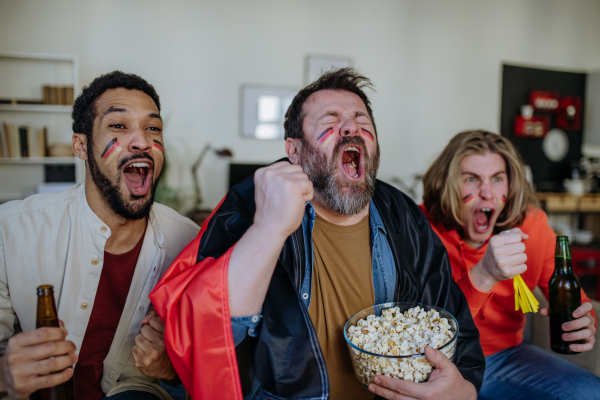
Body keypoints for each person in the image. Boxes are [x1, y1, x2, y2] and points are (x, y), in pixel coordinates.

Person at [150, 68, 485, 400]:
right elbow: (212, 326)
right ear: (294, 151)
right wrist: (269, 227)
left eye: (362, 121)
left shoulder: (404, 214)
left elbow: (451, 314)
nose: (351, 126)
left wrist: (466, 388)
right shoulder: (250, 202)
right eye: (329, 122)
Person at [0, 71, 199, 399]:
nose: (142, 141)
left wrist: (171, 367)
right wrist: (5, 376)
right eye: (119, 126)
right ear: (81, 145)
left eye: (153, 128)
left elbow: (213, 366)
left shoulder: (188, 243)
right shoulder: (11, 232)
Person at [420, 130, 600, 400]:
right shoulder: (418, 227)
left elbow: (573, 298)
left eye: (497, 179)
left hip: (507, 358)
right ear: (448, 184)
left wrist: (585, 322)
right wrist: (483, 274)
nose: (487, 193)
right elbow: (427, 330)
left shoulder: (533, 225)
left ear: (510, 185)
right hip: (439, 362)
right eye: (471, 179)